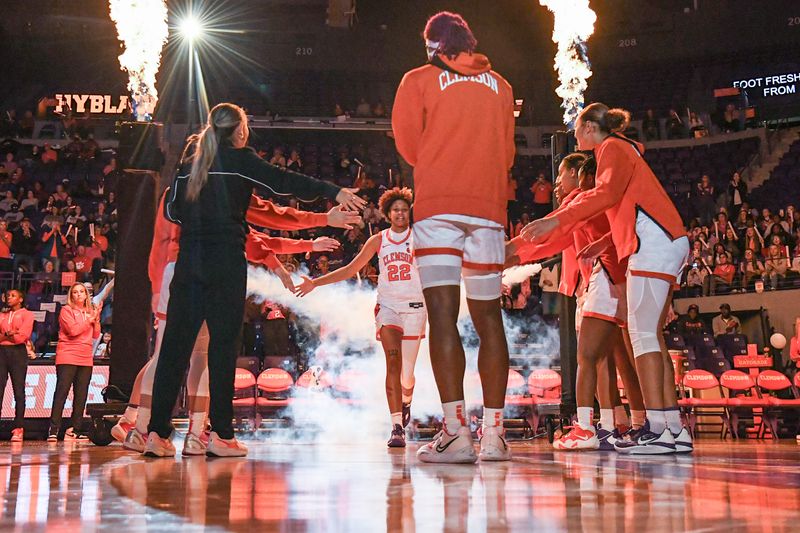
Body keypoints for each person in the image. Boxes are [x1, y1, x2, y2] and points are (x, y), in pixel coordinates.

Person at [145, 103, 364, 458]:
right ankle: (221, 435)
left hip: (188, 264)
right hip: (225, 264)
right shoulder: (241, 160)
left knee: (173, 349)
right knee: (222, 348)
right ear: (241, 131)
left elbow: (172, 211)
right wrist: (332, 191)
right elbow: (283, 182)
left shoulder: (189, 166)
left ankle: (156, 434)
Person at [115, 188, 351, 454]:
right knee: (193, 357)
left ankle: (146, 428)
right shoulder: (226, 184)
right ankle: (177, 431)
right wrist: (318, 223)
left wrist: (157, 286)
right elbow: (262, 226)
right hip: (206, 270)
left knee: (167, 355)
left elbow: (162, 241)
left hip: (176, 269)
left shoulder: (179, 186)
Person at [522, 103, 692, 454]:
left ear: (588, 128)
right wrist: (602, 241)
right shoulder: (623, 149)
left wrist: (555, 220)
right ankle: (673, 428)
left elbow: (608, 194)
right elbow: (623, 205)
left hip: (654, 241)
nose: (575, 135)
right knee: (651, 338)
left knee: (642, 336)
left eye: (577, 128)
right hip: (664, 239)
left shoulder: (612, 147)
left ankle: (658, 429)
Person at [392, 11, 515, 463]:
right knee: (490, 322)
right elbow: (507, 151)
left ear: (434, 45)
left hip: (439, 207)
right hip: (487, 209)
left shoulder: (418, 78)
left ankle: (456, 432)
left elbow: (407, 145)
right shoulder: (501, 85)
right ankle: (496, 436)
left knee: (443, 318)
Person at [508, 156, 646, 451]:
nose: (556, 183)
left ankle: (593, 427)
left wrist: (509, 253)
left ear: (575, 173)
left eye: (560, 174)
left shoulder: (582, 199)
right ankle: (625, 424)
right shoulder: (596, 201)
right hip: (608, 276)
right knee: (613, 358)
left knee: (593, 356)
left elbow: (551, 238)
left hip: (604, 276)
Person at [297, 188, 426, 448]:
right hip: (388, 307)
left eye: (404, 209)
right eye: (395, 209)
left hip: (415, 307)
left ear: (409, 211)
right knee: (393, 361)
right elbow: (349, 269)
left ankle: (407, 399)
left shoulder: (421, 238)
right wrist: (315, 283)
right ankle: (396, 427)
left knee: (407, 375)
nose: (400, 213)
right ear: (388, 214)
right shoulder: (378, 240)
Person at [48, 283, 100, 441]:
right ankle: (54, 429)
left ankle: (75, 429)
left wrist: (96, 318)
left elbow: (96, 334)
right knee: (62, 392)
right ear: (71, 296)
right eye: (75, 292)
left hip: (85, 356)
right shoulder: (66, 310)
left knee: (81, 394)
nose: (78, 295)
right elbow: (73, 331)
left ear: (86, 295)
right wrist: (90, 319)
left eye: (81, 292)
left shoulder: (90, 311)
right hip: (68, 354)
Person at [0, 289, 35, 441]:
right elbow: (11, 335)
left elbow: (23, 337)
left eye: (13, 295)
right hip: (2, 352)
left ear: (20, 299)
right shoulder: (2, 314)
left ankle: (18, 428)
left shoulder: (27, 314)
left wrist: (6, 336)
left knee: (18, 390)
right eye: (8, 295)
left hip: (18, 353)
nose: (9, 298)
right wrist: (9, 334)